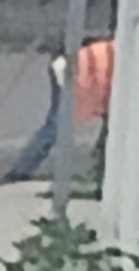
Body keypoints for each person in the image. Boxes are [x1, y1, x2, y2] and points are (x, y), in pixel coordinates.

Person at [6, 31, 117, 185]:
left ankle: (99, 166)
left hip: (79, 60)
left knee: (57, 122)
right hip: (82, 64)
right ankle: (21, 169)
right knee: (57, 123)